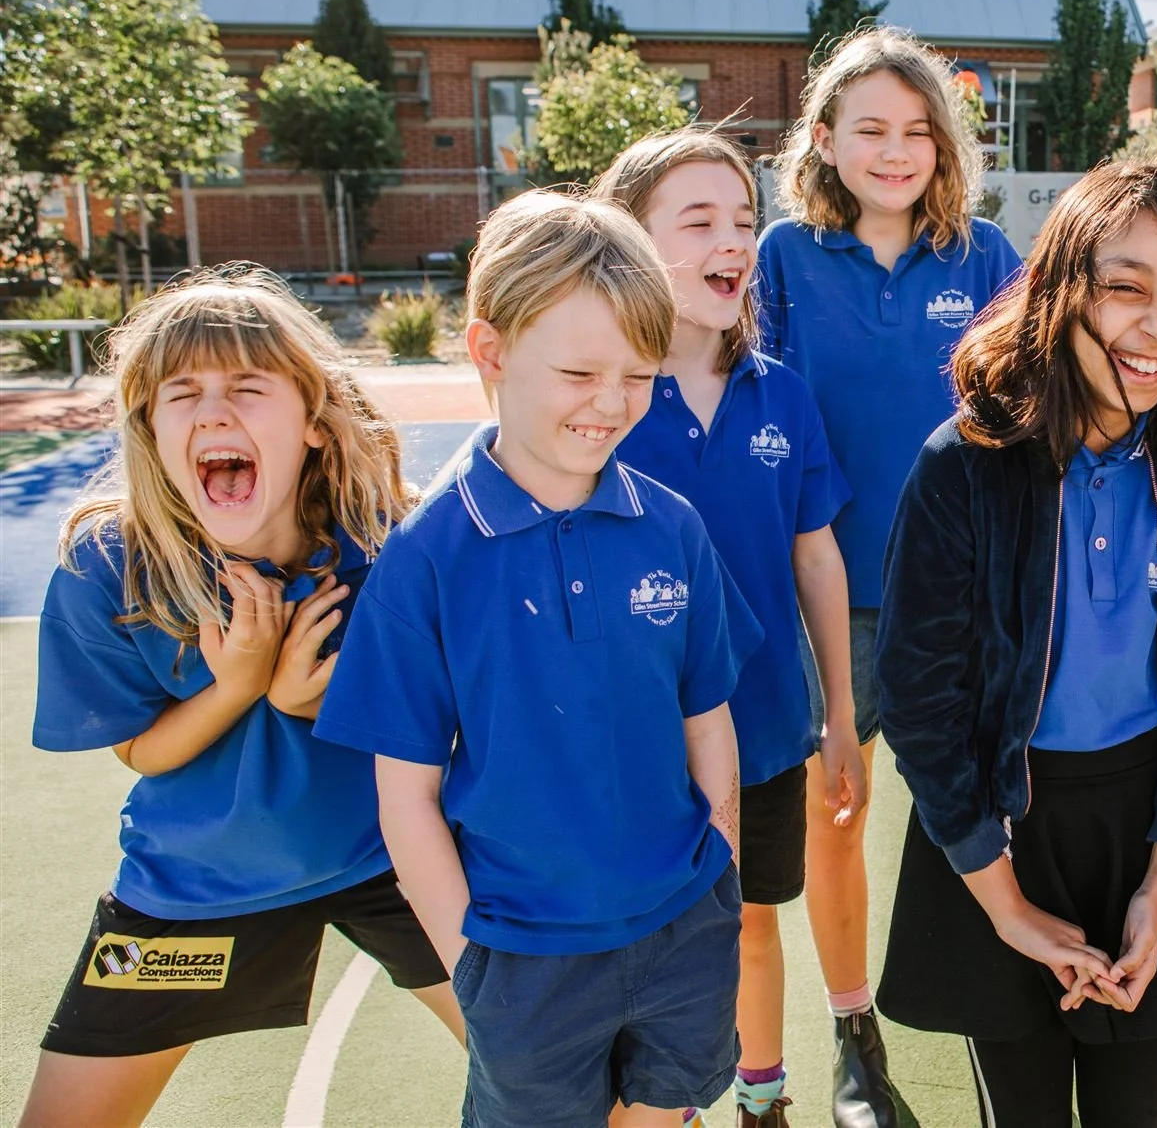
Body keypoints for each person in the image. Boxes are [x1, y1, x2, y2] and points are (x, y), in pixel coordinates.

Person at [314, 193, 756, 1128]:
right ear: (490, 351)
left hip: (684, 924)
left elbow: (706, 717)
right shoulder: (426, 558)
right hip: (522, 958)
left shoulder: (672, 528)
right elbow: (406, 796)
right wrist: (469, 961)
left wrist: (721, 868)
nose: (611, 402)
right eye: (579, 371)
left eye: (638, 375)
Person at [874, 162, 1157, 1127]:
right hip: (999, 828)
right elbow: (919, 701)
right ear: (1061, 290)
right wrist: (1003, 902)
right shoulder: (966, 464)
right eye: (1126, 286)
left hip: (1140, 828)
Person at [24, 266, 459, 1128]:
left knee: (566, 1076)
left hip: (392, 861)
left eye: (247, 387)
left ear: (315, 426)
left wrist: (307, 707)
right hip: (196, 881)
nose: (213, 412)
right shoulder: (107, 568)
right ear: (150, 427)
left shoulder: (391, 551)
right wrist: (238, 686)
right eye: (181, 392)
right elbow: (140, 750)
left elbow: (450, 736)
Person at [758, 25, 1022, 1125]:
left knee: (989, 811)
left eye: (917, 129)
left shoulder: (989, 258)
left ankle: (997, 1013)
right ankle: (852, 1031)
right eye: (868, 128)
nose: (894, 149)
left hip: (964, 596)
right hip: (826, 595)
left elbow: (1029, 413)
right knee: (833, 810)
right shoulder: (778, 258)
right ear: (823, 139)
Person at [594, 129, 864, 1128]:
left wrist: (839, 712)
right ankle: (657, 1102)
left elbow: (814, 557)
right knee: (642, 938)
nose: (732, 241)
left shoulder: (780, 394)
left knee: (751, 927)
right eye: (698, 220)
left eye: (743, 221)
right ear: (628, 240)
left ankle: (762, 1094)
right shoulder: (601, 400)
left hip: (762, 728)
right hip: (634, 739)